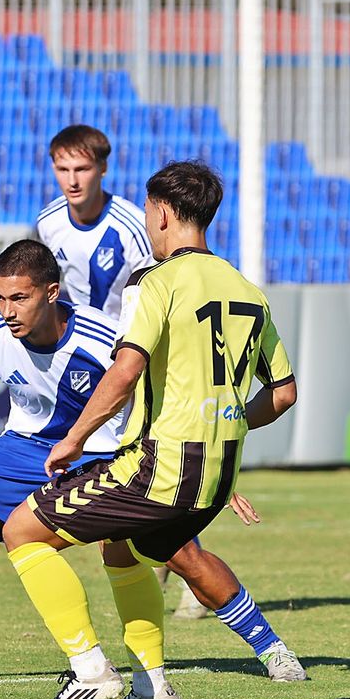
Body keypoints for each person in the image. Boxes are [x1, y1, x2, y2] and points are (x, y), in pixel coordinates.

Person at [0, 240, 296, 699]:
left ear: (51, 292)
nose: (7, 311)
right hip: (21, 449)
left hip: (102, 450)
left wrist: (196, 465)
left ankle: (270, 649)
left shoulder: (104, 337)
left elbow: (154, 395)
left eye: (19, 298)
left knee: (175, 553)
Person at [1, 160, 302, 699]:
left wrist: (74, 437)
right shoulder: (248, 291)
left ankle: (91, 672)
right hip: (217, 476)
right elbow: (283, 394)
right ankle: (153, 689)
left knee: (22, 531)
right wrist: (224, 425)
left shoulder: (156, 283)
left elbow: (126, 370)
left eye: (146, 209)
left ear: (162, 212)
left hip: (160, 466)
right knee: (123, 548)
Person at [33, 123, 212, 620]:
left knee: (150, 464)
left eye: (82, 168)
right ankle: (159, 558)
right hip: (85, 362)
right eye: (63, 169)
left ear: (103, 169)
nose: (72, 179)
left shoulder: (134, 224)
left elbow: (164, 280)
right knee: (119, 469)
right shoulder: (48, 222)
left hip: (132, 360)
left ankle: (189, 571)